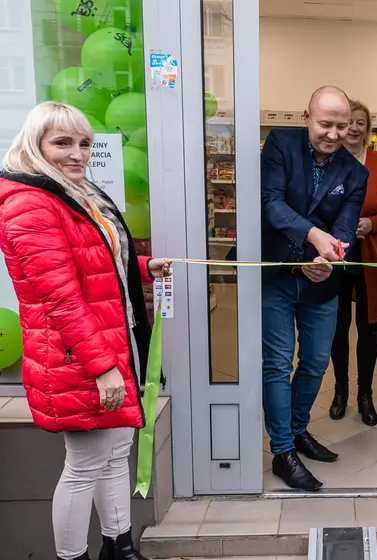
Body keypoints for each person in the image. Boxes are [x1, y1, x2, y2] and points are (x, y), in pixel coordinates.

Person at [0, 102, 171, 560]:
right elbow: (60, 297)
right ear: (34, 145)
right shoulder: (30, 203)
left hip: (104, 344)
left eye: (84, 144)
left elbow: (91, 264)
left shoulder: (68, 192)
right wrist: (103, 368)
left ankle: (120, 547)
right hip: (80, 355)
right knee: (84, 467)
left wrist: (141, 268)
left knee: (114, 454)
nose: (77, 154)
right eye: (62, 143)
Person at [261, 86, 369, 491]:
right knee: (277, 363)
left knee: (316, 361)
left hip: (322, 282)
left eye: (342, 126)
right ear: (306, 117)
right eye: (326, 124)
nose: (335, 134)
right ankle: (283, 450)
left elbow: (346, 227)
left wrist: (330, 257)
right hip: (275, 275)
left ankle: (298, 430)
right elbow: (270, 202)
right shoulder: (280, 144)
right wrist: (312, 237)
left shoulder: (355, 173)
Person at [329, 99, 377, 426]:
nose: (354, 128)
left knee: (369, 327)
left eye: (360, 122)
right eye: (349, 122)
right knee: (337, 325)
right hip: (337, 255)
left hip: (371, 256)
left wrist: (374, 223)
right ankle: (340, 390)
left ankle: (365, 394)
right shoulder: (328, 160)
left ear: (367, 129)